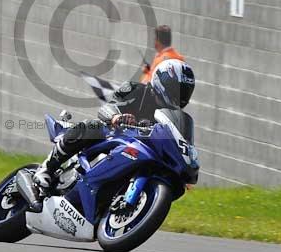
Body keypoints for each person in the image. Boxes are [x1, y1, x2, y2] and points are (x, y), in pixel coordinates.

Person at [33, 59, 196, 189]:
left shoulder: (174, 118)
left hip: (141, 154)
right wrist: (116, 117)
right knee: (93, 126)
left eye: (184, 91)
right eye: (176, 89)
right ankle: (47, 168)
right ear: (162, 82)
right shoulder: (135, 89)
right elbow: (108, 107)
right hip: (115, 136)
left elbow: (179, 143)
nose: (180, 95)